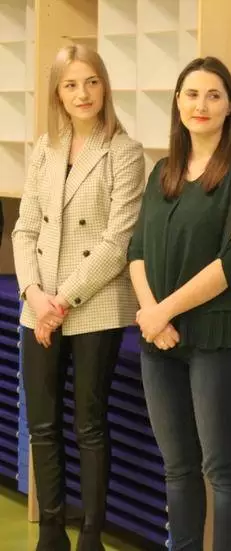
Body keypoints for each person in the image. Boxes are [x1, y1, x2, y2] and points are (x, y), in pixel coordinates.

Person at [127, 57, 231, 551]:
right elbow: (136, 250)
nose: (201, 105)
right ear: (177, 102)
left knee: (222, 468)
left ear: (230, 106)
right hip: (160, 340)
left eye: (214, 95)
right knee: (178, 468)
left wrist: (161, 312)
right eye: (192, 94)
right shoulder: (162, 172)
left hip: (221, 337)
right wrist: (151, 314)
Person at [12, 44, 145, 551]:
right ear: (58, 94)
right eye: (70, 84)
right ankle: (50, 532)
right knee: (42, 425)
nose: (82, 93)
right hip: (39, 304)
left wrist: (60, 300)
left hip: (95, 307)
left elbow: (117, 242)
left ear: (105, 86)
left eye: (91, 81)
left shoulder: (124, 152)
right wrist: (33, 294)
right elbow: (25, 229)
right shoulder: (45, 148)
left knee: (89, 424)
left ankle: (90, 534)